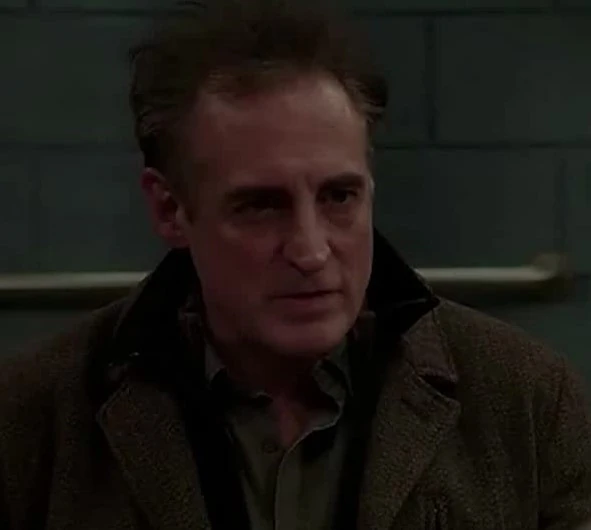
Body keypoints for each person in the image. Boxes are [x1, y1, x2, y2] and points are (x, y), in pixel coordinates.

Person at [1, 0, 590, 528]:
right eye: (261, 205)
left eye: (339, 196)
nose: (310, 251)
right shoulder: (33, 420)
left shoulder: (528, 401)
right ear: (168, 208)